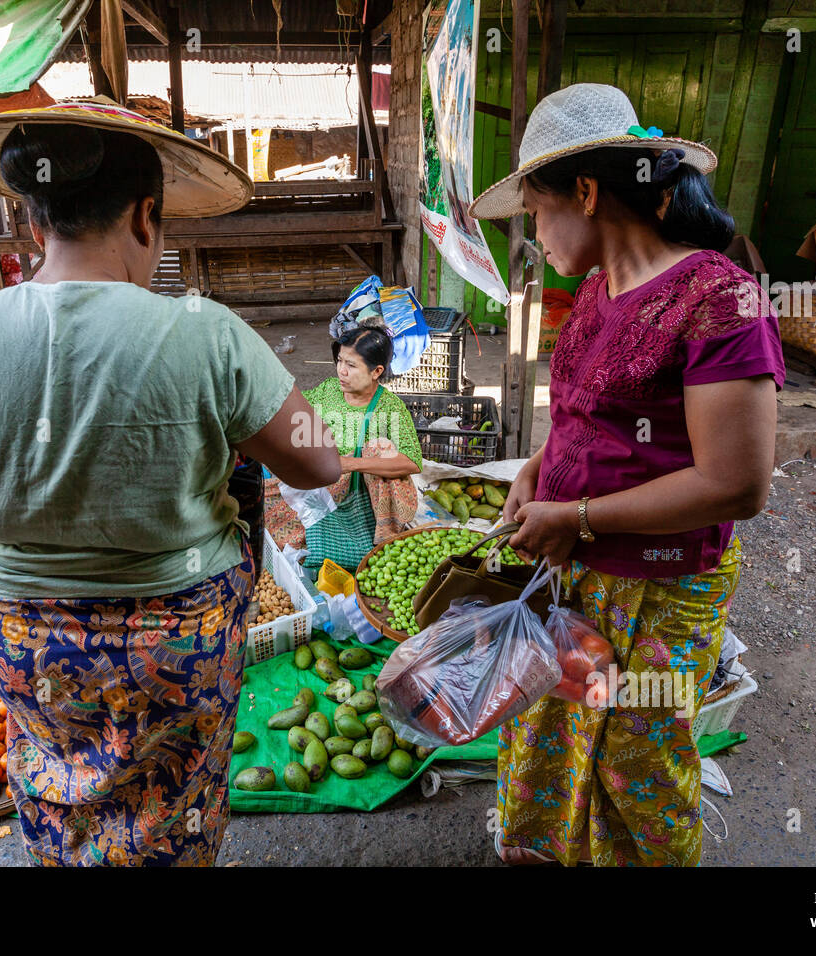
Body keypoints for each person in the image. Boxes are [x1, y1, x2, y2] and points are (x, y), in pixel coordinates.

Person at [0, 102, 339, 866]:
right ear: (147, 216)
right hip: (179, 637)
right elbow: (317, 463)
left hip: (24, 637)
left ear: (35, 224)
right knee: (173, 804)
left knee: (57, 786)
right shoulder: (207, 333)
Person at [469, 83, 783, 866]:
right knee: (552, 736)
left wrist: (577, 519)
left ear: (584, 191)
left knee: (635, 761)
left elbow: (737, 485)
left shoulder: (720, 298)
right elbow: (582, 414)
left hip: (663, 582)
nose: (533, 236)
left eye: (536, 214)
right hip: (576, 566)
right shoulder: (596, 293)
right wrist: (538, 473)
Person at [265, 326, 422, 573]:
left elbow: (411, 462)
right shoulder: (329, 390)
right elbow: (295, 412)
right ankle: (306, 543)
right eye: (339, 361)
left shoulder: (389, 408)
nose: (341, 371)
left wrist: (350, 464)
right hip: (321, 483)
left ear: (376, 371)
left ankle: (382, 542)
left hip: (356, 493)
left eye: (351, 365)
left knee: (378, 448)